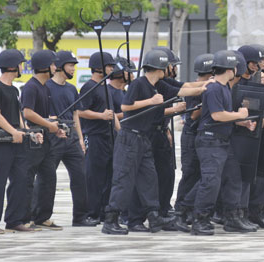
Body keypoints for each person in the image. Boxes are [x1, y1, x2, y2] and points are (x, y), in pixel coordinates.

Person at [102, 49, 205, 235]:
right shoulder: (139, 84)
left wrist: (205, 86)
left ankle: (153, 215)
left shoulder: (159, 85)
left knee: (149, 179)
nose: (168, 69)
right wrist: (150, 101)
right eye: (166, 67)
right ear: (159, 68)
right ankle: (111, 219)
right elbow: (126, 107)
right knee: (124, 180)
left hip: (144, 138)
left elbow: (181, 89)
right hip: (130, 137)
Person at [187, 50, 256, 236]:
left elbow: (222, 116)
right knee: (210, 182)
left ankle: (232, 218)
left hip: (222, 141)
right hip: (210, 141)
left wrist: (242, 122)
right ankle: (199, 220)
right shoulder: (214, 88)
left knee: (233, 178)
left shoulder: (224, 87)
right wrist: (240, 114)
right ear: (231, 68)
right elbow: (217, 116)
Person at [0, 50, 43, 234]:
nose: (21, 67)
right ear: (11, 66)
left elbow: (19, 115)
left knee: (20, 180)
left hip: (17, 140)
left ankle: (14, 220)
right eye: (20, 64)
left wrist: (29, 132)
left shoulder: (14, 89)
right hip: (1, 142)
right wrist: (13, 131)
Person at [43, 51, 97, 227]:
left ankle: (80, 217)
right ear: (59, 66)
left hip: (72, 137)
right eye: (70, 65)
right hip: (53, 136)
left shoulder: (72, 89)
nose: (73, 69)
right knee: (47, 178)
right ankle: (40, 216)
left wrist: (80, 139)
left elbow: (76, 115)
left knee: (81, 176)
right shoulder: (46, 87)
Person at [22, 49, 67, 230]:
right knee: (28, 180)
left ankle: (43, 217)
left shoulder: (45, 87)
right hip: (34, 140)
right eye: (53, 64)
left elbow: (43, 115)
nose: (56, 68)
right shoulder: (31, 87)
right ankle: (27, 218)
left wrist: (55, 128)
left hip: (47, 140)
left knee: (49, 178)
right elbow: (27, 112)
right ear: (44, 67)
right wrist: (48, 126)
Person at [173, 53, 214, 232]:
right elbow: (192, 115)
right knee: (189, 174)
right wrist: (211, 102)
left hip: (201, 135)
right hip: (190, 134)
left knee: (199, 174)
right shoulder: (195, 89)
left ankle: (191, 209)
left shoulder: (209, 86)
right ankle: (180, 210)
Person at [78, 52, 119, 223]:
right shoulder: (89, 87)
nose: (112, 69)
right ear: (98, 68)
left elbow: (112, 112)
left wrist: (120, 131)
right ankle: (91, 213)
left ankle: (104, 211)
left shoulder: (105, 86)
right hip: (94, 137)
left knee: (108, 176)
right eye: (109, 66)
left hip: (108, 137)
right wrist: (101, 116)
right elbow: (80, 111)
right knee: (94, 177)